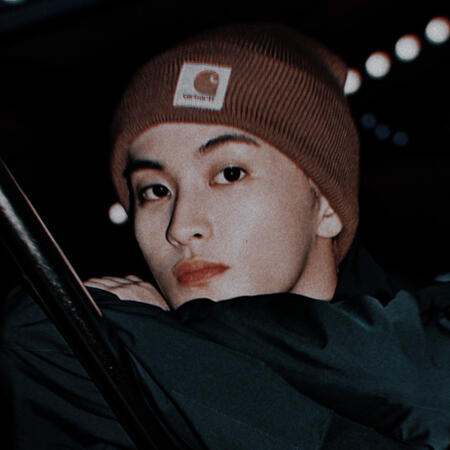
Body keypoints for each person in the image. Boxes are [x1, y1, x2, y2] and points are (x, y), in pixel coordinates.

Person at [1, 22, 449, 449]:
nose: (181, 227)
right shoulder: (109, 387)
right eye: (155, 191)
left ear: (326, 206)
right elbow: (36, 339)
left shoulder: (431, 343)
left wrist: (163, 341)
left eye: (230, 173)